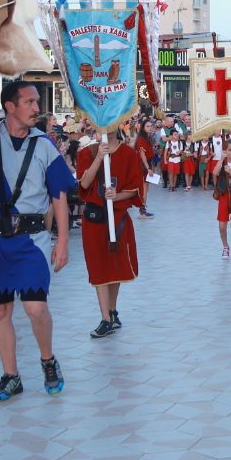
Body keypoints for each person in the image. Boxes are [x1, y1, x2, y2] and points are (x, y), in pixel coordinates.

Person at [0, 75, 76, 400]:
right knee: (0, 311)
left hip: (32, 239)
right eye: (29, 102)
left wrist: (62, 240)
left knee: (36, 308)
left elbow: (59, 196)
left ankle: (47, 359)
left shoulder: (44, 145)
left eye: (37, 102)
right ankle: (11, 375)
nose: (37, 108)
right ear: (9, 106)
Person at [74, 130, 145, 339]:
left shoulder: (129, 155)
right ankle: (105, 318)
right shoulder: (87, 153)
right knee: (98, 268)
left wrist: (116, 196)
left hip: (118, 218)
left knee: (115, 267)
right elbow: (84, 184)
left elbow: (134, 189)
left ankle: (112, 311)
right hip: (94, 220)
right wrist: (98, 158)